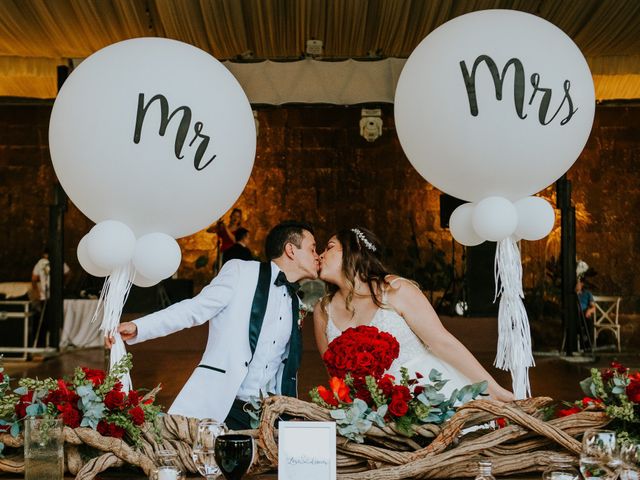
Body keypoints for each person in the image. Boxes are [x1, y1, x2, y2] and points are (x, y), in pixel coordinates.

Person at [106, 220, 319, 427]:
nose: (316, 256)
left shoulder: (295, 301)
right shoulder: (240, 272)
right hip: (224, 406)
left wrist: (290, 411)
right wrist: (140, 326)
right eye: (312, 249)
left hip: (269, 415)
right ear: (291, 250)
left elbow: (285, 365)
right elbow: (194, 309)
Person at [313, 227, 514, 402]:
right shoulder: (322, 310)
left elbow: (442, 342)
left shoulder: (396, 290)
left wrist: (493, 388)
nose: (320, 255)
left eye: (329, 247)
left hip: (430, 396)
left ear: (354, 251)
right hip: (372, 410)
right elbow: (334, 374)